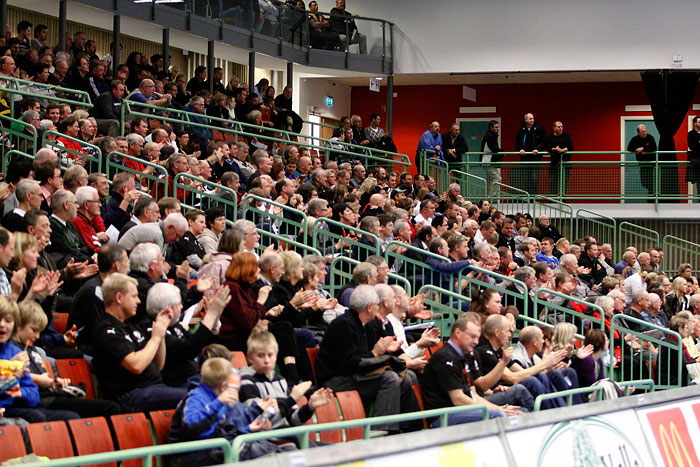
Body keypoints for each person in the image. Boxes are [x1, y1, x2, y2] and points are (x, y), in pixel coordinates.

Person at [315, 284, 419, 433]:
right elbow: (349, 365)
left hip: (352, 374)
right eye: (377, 305)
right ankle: (383, 432)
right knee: (390, 378)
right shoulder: (344, 325)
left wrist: (381, 352)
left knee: (406, 376)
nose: (379, 309)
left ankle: (409, 429)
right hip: (335, 380)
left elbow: (362, 359)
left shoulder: (364, 325)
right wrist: (375, 353)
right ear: (369, 307)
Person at [91, 273, 188, 411]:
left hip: (155, 389)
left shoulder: (131, 327)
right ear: (119, 298)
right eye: (134, 296)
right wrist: (155, 338)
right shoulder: (107, 332)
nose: (139, 301)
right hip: (132, 395)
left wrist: (160, 334)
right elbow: (136, 365)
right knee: (194, 397)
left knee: (205, 390)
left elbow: (158, 365)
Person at [165, 357, 282, 466]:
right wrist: (217, 404)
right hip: (187, 455)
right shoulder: (195, 398)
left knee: (267, 446)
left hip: (215, 447)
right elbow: (192, 427)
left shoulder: (222, 398)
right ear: (223, 386)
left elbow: (228, 432)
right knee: (247, 449)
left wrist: (253, 421)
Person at [421, 316, 514, 427]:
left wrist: (497, 408)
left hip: (461, 411)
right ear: (458, 333)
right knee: (498, 415)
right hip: (443, 416)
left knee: (517, 412)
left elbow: (473, 395)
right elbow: (458, 399)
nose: (476, 342)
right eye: (472, 337)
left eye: (477, 338)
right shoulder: (444, 357)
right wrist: (495, 410)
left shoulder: (462, 357)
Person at [239, 331, 333, 430]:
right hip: (266, 440)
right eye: (260, 356)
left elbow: (294, 420)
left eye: (270, 355)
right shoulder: (246, 381)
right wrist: (292, 399)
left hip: (288, 436)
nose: (266, 360)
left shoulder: (280, 380)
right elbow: (259, 420)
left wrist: (310, 407)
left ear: (276, 356)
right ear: (250, 357)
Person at [514, 113, 545, 194]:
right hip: (525, 158)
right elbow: (517, 144)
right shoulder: (521, 130)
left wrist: (537, 150)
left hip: (535, 158)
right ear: (525, 120)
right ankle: (526, 196)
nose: (532, 120)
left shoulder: (539, 130)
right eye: (530, 119)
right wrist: (520, 149)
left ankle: (533, 197)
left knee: (534, 178)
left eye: (533, 118)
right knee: (525, 178)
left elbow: (543, 142)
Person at [627, 124, 657, 199]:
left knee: (652, 182)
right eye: (642, 132)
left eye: (645, 131)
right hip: (642, 163)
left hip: (651, 164)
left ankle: (652, 196)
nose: (644, 133)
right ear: (638, 132)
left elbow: (654, 147)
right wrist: (637, 149)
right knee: (644, 181)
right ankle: (650, 194)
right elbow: (629, 148)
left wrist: (644, 149)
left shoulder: (650, 137)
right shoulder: (635, 139)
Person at [545, 121, 574, 196]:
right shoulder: (550, 137)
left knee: (564, 183)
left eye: (562, 127)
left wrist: (562, 150)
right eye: (559, 127)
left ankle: (563, 199)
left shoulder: (567, 136)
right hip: (554, 163)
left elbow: (571, 146)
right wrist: (554, 149)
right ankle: (553, 200)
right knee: (553, 182)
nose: (561, 128)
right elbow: (547, 147)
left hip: (565, 163)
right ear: (554, 128)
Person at [481, 120, 502, 197]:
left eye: (498, 127)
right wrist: (501, 152)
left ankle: (487, 198)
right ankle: (491, 197)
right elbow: (494, 148)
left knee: (490, 180)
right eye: (496, 127)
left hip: (489, 161)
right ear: (491, 128)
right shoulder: (490, 136)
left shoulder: (491, 136)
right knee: (497, 178)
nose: (498, 129)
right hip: (488, 161)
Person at [688, 116, 700, 193]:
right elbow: (691, 146)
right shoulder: (691, 134)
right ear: (695, 123)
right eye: (699, 122)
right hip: (696, 159)